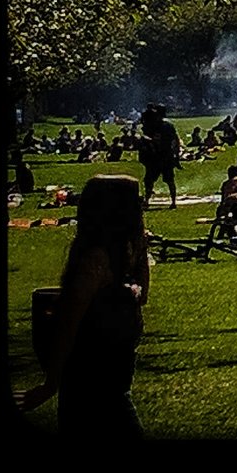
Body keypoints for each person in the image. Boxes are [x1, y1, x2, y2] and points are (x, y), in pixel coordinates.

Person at [27, 173, 150, 437]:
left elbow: (141, 295)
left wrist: (51, 382)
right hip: (106, 368)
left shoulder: (106, 257)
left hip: (103, 368)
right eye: (135, 202)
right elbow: (142, 294)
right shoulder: (111, 255)